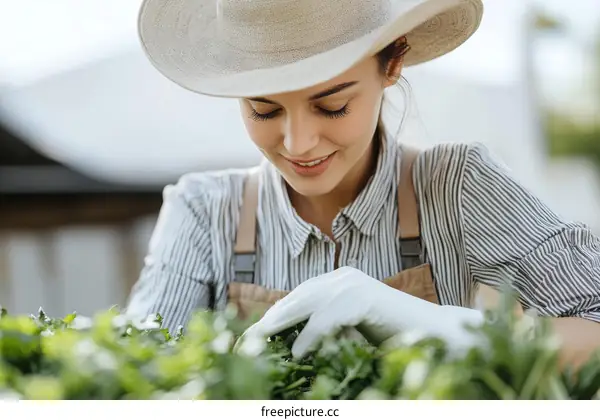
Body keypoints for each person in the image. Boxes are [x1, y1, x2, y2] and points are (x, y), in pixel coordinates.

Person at [126, 0, 600, 367]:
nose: (299, 143)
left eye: (332, 106)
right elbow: (137, 372)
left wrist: (444, 327)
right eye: (264, 110)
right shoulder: (204, 211)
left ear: (391, 63)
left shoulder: (456, 185)